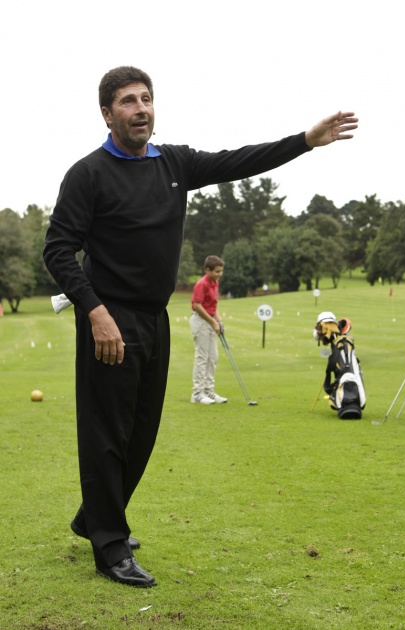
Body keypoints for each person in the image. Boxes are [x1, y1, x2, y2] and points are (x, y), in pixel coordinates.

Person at [43, 65, 358, 588]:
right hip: (109, 319)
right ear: (107, 113)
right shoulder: (88, 174)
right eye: (127, 101)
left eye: (146, 98)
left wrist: (305, 141)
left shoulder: (174, 163)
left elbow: (239, 161)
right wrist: (94, 312)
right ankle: (109, 545)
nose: (140, 108)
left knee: (141, 431)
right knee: (107, 432)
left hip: (155, 317)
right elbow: (58, 250)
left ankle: (94, 517)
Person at [190, 255, 227, 405]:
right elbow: (198, 306)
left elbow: (213, 305)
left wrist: (219, 321)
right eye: (217, 271)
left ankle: (209, 391)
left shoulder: (215, 282)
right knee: (202, 357)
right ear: (207, 270)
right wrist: (213, 322)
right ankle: (197, 393)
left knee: (213, 357)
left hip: (211, 321)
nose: (219, 274)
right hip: (201, 322)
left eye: (221, 271)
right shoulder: (202, 284)